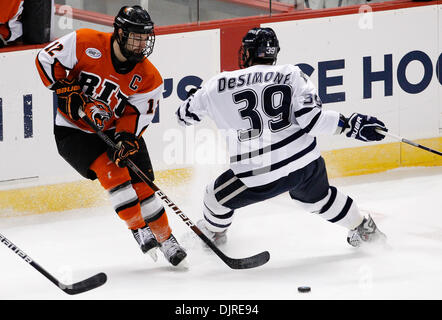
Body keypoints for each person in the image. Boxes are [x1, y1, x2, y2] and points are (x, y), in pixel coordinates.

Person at [176, 27, 387, 248]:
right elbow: (312, 120)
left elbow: (184, 117)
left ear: (247, 53)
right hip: (303, 163)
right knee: (319, 198)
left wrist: (196, 98)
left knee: (214, 198)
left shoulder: (216, 85)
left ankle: (214, 236)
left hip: (258, 172)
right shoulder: (292, 74)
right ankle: (365, 229)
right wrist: (349, 124)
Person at [35, 5, 187, 267]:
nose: (142, 44)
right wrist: (64, 88)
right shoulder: (84, 41)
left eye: (145, 38)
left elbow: (137, 114)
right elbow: (46, 58)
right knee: (115, 175)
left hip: (114, 129)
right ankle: (138, 228)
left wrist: (127, 138)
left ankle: (167, 238)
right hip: (73, 131)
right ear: (119, 32)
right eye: (136, 37)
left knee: (143, 185)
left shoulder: (149, 77)